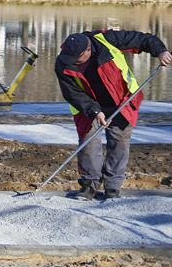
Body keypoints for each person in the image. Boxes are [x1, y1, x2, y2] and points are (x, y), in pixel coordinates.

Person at [54, 29, 172, 201]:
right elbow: (72, 93)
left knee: (119, 142)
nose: (72, 62)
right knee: (89, 142)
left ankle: (112, 189)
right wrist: (95, 111)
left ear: (87, 50)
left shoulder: (107, 39)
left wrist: (160, 51)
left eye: (76, 59)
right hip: (88, 105)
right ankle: (89, 186)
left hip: (121, 100)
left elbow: (142, 39)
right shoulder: (63, 61)